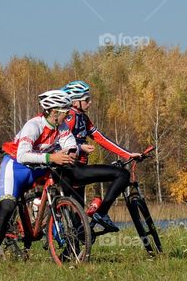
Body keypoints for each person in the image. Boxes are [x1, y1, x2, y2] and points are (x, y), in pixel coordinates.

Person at [0, 89, 77, 266]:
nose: (68, 116)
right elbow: (22, 156)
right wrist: (52, 157)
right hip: (15, 167)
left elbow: (70, 143)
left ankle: (56, 229)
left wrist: (72, 152)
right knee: (8, 205)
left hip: (37, 167)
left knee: (58, 184)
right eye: (65, 112)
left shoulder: (61, 127)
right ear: (54, 112)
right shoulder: (33, 125)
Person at [59, 80, 144, 234]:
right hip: (71, 169)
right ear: (75, 101)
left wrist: (127, 154)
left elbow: (100, 138)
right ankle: (102, 212)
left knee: (78, 222)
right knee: (122, 175)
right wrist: (79, 147)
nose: (89, 102)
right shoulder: (70, 117)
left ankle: (69, 254)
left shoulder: (82, 118)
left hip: (80, 169)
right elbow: (58, 144)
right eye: (86, 99)